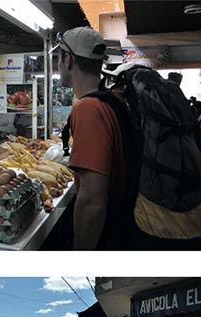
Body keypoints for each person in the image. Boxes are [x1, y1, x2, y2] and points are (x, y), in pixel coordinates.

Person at [55, 27, 134, 250]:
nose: (59, 65)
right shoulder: (112, 100)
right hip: (121, 219)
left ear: (68, 60)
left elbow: (92, 201)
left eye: (59, 59)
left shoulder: (88, 109)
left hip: (107, 231)